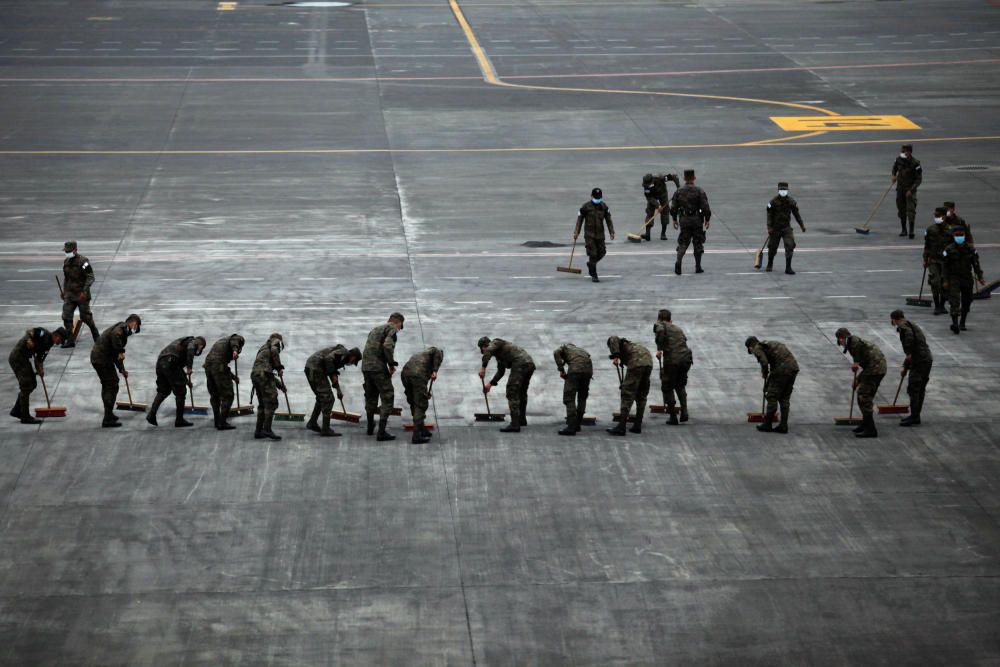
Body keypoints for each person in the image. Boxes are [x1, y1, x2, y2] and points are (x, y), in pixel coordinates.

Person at [90, 314, 141, 427]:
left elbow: (115, 354)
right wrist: (120, 351)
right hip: (101, 358)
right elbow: (115, 338)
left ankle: (109, 414)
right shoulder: (121, 329)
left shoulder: (123, 331)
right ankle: (107, 418)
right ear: (134, 323)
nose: (134, 330)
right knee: (111, 385)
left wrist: (122, 369)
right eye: (136, 327)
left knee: (109, 384)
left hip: (102, 358)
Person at [8, 326, 67, 424]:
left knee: (33, 384)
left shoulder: (49, 345)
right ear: (56, 335)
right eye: (60, 340)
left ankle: (17, 410)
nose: (59, 343)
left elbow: (39, 359)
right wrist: (28, 340)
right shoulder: (43, 334)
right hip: (18, 357)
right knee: (26, 385)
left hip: (24, 359)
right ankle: (25, 416)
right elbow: (29, 332)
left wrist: (40, 369)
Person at [835, 327, 886, 439]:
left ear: (841, 338)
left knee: (864, 397)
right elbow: (865, 364)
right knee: (863, 397)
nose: (841, 344)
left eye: (840, 341)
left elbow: (860, 359)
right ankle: (865, 424)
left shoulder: (855, 343)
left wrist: (856, 365)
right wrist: (858, 379)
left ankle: (871, 430)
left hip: (875, 370)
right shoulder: (853, 342)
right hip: (875, 369)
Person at [146, 336, 207, 428]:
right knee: (181, 393)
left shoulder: (183, 344)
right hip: (171, 362)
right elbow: (190, 351)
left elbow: (178, 368)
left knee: (163, 391)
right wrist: (189, 367)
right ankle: (179, 420)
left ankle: (151, 415)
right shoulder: (193, 342)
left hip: (161, 362)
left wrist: (186, 381)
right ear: (201, 345)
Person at [479, 336, 536, 433]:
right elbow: (501, 372)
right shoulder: (499, 355)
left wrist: (483, 368)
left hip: (520, 363)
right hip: (528, 364)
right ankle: (521, 420)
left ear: (484, 345)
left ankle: (514, 425)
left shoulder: (496, 342)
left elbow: (488, 351)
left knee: (512, 392)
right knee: (521, 393)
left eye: (482, 348)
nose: (483, 351)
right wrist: (490, 385)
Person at [363, 313, 404, 441]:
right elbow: (387, 346)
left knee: (371, 396)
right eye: (400, 326)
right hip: (378, 368)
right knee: (387, 396)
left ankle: (370, 427)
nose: (399, 329)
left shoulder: (375, 329)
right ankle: (381, 432)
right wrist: (391, 364)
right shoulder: (391, 329)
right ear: (397, 322)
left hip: (366, 367)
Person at [304, 345, 361, 438]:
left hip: (312, 368)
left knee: (321, 397)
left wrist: (338, 390)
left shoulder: (341, 357)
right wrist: (333, 374)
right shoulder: (344, 353)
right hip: (315, 369)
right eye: (354, 361)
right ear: (353, 356)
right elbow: (328, 359)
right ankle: (325, 429)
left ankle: (312, 423)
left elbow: (332, 372)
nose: (352, 363)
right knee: (328, 399)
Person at [744, 337, 798, 434]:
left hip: (782, 369)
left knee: (771, 396)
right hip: (793, 367)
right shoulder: (769, 344)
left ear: (750, 346)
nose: (752, 352)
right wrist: (768, 380)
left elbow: (764, 362)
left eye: (750, 350)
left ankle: (767, 424)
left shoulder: (757, 347)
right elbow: (774, 365)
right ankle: (783, 426)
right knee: (784, 398)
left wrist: (764, 372)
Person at [890, 310, 932, 427]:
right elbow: (915, 349)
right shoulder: (911, 324)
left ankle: (914, 416)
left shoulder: (904, 326)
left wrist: (908, 352)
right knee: (920, 389)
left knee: (914, 388)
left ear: (894, 319)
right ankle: (916, 415)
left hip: (919, 361)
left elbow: (909, 338)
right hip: (926, 359)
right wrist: (906, 366)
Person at [941, 225, 986, 333]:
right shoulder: (948, 250)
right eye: (957, 235)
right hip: (954, 278)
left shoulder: (971, 249)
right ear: (953, 236)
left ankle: (962, 322)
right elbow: (944, 266)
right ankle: (955, 323)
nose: (959, 237)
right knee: (954, 300)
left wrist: (980, 277)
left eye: (961, 235)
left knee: (967, 300)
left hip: (967, 278)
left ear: (965, 236)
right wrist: (945, 280)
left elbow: (976, 264)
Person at [606, 335, 653, 436]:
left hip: (637, 362)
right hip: (648, 362)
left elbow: (613, 338)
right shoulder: (631, 346)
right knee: (641, 395)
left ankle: (621, 427)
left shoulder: (616, 342)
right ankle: (637, 425)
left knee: (627, 394)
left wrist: (615, 356)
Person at [654, 309, 693, 425]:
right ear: (671, 319)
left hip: (673, 360)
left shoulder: (660, 325)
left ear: (658, 319)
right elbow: (684, 340)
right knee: (680, 385)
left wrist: (659, 349)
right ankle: (684, 411)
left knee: (667, 386)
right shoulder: (677, 328)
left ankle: (673, 416)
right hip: (686, 358)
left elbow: (660, 331)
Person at [670, 169, 711, 275]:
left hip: (684, 220)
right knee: (698, 243)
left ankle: (678, 262)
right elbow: (705, 206)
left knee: (683, 242)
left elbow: (673, 207)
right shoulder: (699, 191)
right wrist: (707, 219)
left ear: (684, 178)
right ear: (694, 178)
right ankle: (698, 266)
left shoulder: (679, 191)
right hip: (697, 220)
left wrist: (674, 219)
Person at [61, 241, 100, 347]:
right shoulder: (66, 262)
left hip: (81, 294)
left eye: (69, 251)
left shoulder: (83, 261)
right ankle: (70, 340)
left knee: (85, 317)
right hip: (70, 295)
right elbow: (66, 279)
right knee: (66, 316)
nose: (67, 253)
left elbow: (90, 277)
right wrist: (64, 292)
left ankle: (96, 334)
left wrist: (84, 291)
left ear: (75, 250)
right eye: (66, 251)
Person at [203, 333, 245, 431]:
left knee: (215, 394)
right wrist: (235, 351)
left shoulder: (222, 342)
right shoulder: (236, 338)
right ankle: (222, 422)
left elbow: (220, 366)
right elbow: (235, 342)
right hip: (218, 366)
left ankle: (217, 420)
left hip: (208, 366)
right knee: (228, 395)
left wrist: (233, 377)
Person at [401, 346, 443, 444]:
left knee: (414, 401)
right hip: (417, 375)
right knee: (421, 404)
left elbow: (421, 385)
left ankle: (421, 428)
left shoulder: (422, 357)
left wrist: (425, 393)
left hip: (405, 374)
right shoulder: (436, 352)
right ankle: (416, 435)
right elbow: (437, 352)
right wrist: (436, 371)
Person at [765, 181, 806, 275]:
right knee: (772, 246)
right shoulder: (773, 202)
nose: (783, 191)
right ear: (778, 190)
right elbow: (769, 215)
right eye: (781, 190)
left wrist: (802, 225)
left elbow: (797, 215)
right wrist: (769, 227)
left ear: (787, 190)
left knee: (790, 245)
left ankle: (788, 267)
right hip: (775, 228)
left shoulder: (791, 202)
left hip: (786, 228)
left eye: (785, 190)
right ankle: (770, 263)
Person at [575, 187, 615, 282]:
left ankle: (591, 264)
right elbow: (579, 220)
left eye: (599, 197)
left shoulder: (604, 206)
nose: (597, 199)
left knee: (602, 252)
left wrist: (612, 232)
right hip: (589, 235)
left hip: (600, 234)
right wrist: (576, 232)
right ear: (591, 196)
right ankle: (594, 275)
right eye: (596, 197)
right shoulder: (585, 207)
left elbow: (609, 220)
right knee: (593, 254)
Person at [553, 343, 593, 436]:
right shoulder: (581, 350)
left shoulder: (564, 347)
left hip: (575, 368)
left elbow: (556, 353)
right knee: (582, 396)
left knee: (569, 397)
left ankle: (571, 426)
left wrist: (562, 370)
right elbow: (589, 357)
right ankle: (577, 424)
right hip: (589, 369)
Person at [251, 332, 285, 441]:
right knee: (271, 402)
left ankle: (258, 431)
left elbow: (267, 374)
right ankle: (267, 429)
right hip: (263, 375)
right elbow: (275, 351)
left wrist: (280, 385)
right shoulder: (275, 342)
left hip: (256, 375)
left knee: (262, 404)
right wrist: (279, 367)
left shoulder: (263, 349)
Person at [923, 207, 952, 315]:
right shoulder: (930, 229)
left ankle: (942, 305)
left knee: (945, 282)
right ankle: (936, 306)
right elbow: (927, 246)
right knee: (935, 282)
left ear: (944, 216)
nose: (936, 218)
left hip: (946, 261)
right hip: (933, 260)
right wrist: (925, 259)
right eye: (935, 216)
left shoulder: (950, 230)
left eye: (938, 216)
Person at [891, 144, 922, 238]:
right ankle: (904, 230)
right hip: (900, 189)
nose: (902, 153)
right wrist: (893, 175)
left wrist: (911, 190)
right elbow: (894, 168)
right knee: (901, 210)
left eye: (904, 151)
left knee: (911, 211)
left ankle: (911, 231)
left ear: (909, 152)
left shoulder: (915, 163)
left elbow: (919, 179)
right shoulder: (898, 159)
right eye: (902, 151)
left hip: (910, 190)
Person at [641, 172, 679, 241]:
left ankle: (663, 234)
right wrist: (657, 205)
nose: (647, 186)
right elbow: (649, 198)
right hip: (652, 196)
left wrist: (678, 187)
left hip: (662, 194)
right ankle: (647, 234)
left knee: (665, 211)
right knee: (649, 211)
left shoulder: (660, 179)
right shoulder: (646, 186)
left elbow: (674, 177)